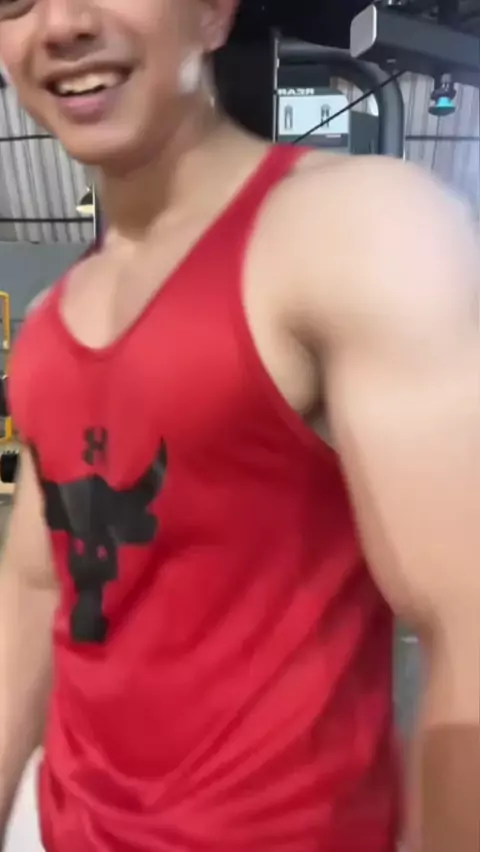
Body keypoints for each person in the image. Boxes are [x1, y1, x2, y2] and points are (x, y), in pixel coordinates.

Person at [0, 1, 478, 851]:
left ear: (214, 13)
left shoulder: (360, 233)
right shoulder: (47, 327)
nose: (62, 22)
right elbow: (33, 595)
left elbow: (470, 621)